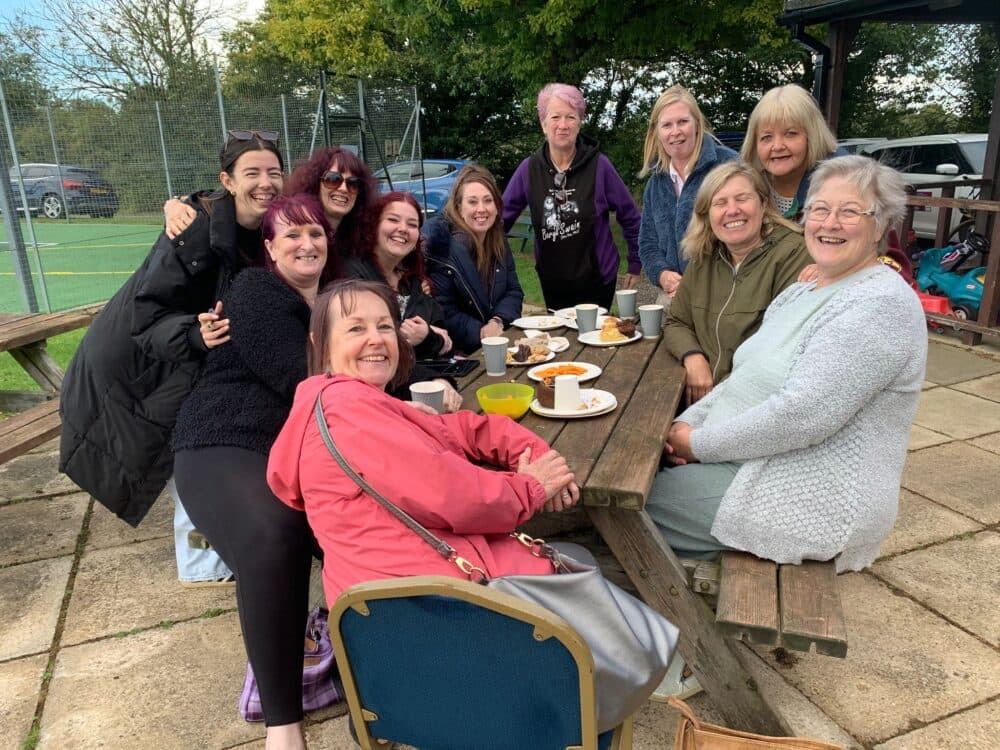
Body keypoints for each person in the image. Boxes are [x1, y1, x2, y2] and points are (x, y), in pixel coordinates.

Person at [650, 154, 926, 571]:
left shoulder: (880, 304)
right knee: (634, 479)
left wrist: (699, 444)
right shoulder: (805, 290)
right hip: (749, 459)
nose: (830, 223)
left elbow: (802, 415)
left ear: (881, 225)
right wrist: (688, 429)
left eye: (850, 211)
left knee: (625, 507)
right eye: (819, 209)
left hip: (805, 494)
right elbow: (743, 377)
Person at [267, 278, 581, 608]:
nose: (376, 339)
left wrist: (533, 454)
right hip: (432, 608)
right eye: (356, 329)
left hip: (408, 595)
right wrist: (531, 487)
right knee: (585, 576)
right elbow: (453, 496)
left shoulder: (349, 401)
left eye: (385, 327)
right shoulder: (348, 411)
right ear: (321, 344)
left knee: (577, 565)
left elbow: (457, 428)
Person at [59, 129, 285, 558]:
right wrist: (194, 335)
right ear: (228, 181)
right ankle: (200, 561)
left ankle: (218, 544)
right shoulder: (194, 227)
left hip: (181, 353)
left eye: (273, 172)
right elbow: (147, 316)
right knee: (187, 442)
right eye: (251, 172)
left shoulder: (266, 227)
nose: (265, 182)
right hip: (136, 359)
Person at [662, 162, 811, 404]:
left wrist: (714, 407)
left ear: (763, 204)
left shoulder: (793, 254)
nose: (732, 210)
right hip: (701, 399)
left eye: (742, 199)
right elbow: (677, 321)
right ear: (707, 214)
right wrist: (693, 357)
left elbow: (779, 350)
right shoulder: (704, 256)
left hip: (755, 404)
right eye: (720, 203)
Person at [502, 83, 642, 310]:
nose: (563, 125)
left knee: (596, 341)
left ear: (580, 123)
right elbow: (499, 220)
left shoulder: (600, 166)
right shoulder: (529, 170)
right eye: (555, 117)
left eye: (571, 117)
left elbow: (631, 217)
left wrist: (635, 263)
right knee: (559, 343)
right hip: (552, 281)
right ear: (543, 124)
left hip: (597, 280)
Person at [165, 146, 378, 263]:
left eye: (353, 183)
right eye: (333, 179)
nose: (342, 188)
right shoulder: (283, 219)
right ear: (316, 182)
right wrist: (181, 204)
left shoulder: (358, 238)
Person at [638, 85, 738, 308]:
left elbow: (747, 236)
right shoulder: (655, 183)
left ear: (697, 124)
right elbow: (647, 243)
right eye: (667, 125)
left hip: (724, 299)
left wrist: (699, 283)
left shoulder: (729, 166)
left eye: (683, 122)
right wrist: (663, 275)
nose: (675, 132)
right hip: (672, 298)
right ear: (657, 132)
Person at [423, 164, 524, 353]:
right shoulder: (443, 248)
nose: (481, 209)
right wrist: (482, 332)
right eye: (472, 202)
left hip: (496, 341)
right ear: (459, 207)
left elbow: (513, 290)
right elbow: (443, 309)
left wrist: (497, 321)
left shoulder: (498, 238)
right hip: (459, 352)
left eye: (488, 200)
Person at [344, 191, 453, 360]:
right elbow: (374, 341)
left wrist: (429, 337)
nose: (403, 229)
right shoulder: (355, 277)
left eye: (412, 224)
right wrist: (429, 339)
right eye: (393, 220)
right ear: (374, 225)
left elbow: (444, 336)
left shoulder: (412, 279)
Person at [740, 84, 846, 220]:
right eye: (767, 137)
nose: (777, 146)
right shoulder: (746, 186)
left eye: (790, 134)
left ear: (812, 136)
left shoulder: (842, 180)